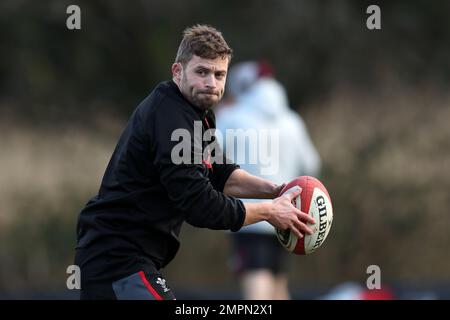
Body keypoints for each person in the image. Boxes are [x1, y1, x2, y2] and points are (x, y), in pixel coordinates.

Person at [74, 24, 315, 300]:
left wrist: (275, 190)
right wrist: (270, 211)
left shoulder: (200, 115)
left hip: (126, 259)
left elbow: (221, 175)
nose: (211, 82)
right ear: (178, 72)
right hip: (117, 259)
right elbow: (200, 205)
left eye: (219, 74)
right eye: (202, 72)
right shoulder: (169, 115)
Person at [216, 61, 321, 300]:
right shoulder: (293, 121)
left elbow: (207, 157)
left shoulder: (231, 117)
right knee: (278, 285)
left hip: (249, 216)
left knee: (257, 287)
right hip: (289, 217)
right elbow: (312, 166)